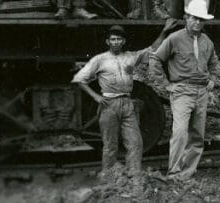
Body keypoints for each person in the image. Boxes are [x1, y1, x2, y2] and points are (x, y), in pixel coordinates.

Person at [72, 20, 176, 174]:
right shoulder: (99, 60)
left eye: (119, 39)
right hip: (109, 105)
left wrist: (164, 31)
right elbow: (79, 80)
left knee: (135, 142)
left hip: (127, 103)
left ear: (123, 41)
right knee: (110, 145)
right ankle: (108, 177)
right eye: (113, 39)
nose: (116, 42)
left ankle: (134, 176)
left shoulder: (130, 57)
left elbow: (152, 50)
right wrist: (96, 97)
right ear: (108, 42)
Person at [152, 0, 219, 181]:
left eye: (201, 20)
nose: (197, 23)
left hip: (201, 92)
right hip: (182, 91)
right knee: (180, 132)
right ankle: (174, 173)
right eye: (194, 18)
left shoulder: (207, 41)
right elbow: (155, 60)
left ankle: (187, 174)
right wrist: (167, 85)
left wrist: (212, 79)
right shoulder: (175, 38)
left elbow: (214, 63)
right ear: (186, 18)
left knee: (197, 135)